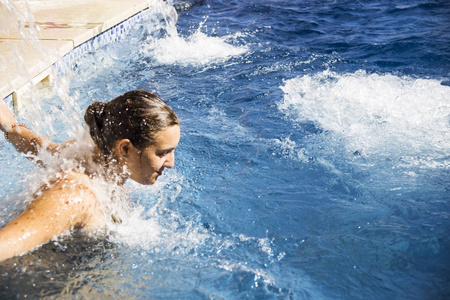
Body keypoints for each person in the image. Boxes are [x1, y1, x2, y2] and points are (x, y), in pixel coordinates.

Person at [0, 90, 180, 261]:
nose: (171, 163)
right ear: (125, 148)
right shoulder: (76, 196)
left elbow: (37, 147)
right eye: (162, 153)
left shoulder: (86, 155)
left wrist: (9, 125)